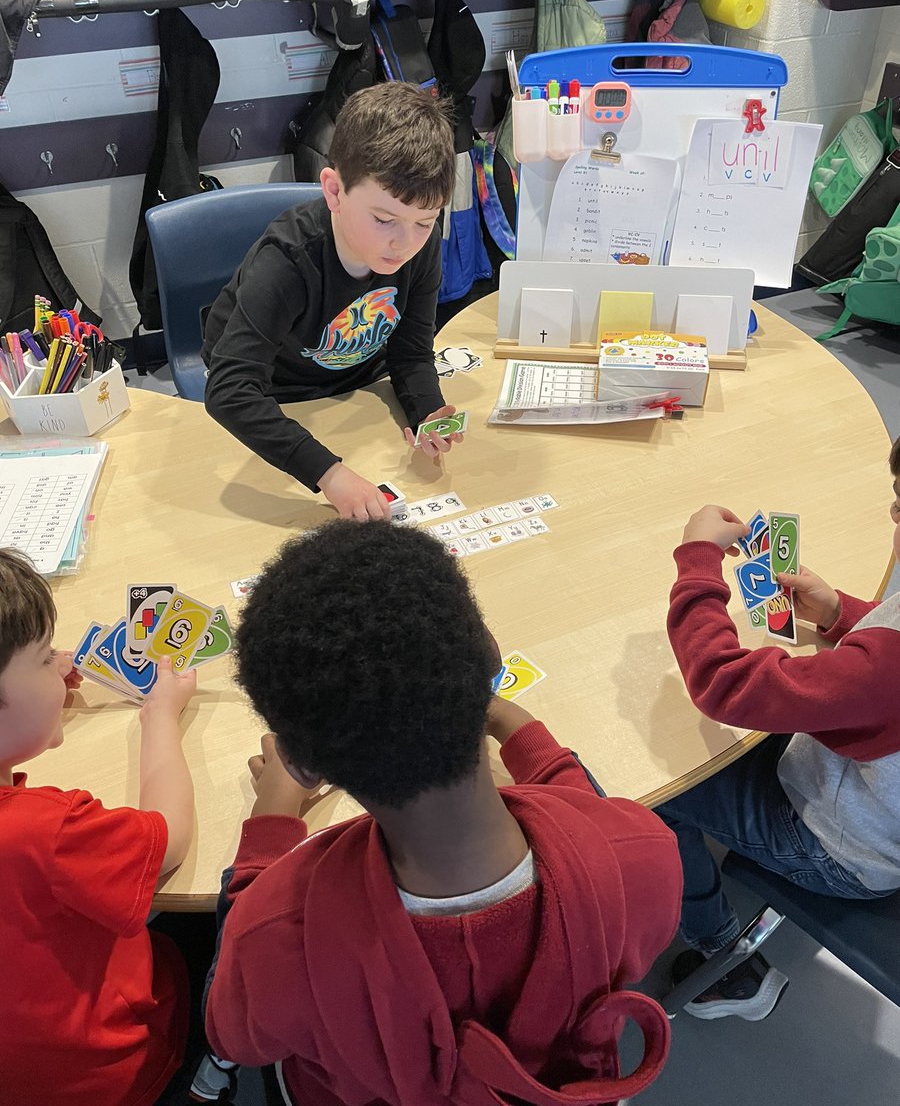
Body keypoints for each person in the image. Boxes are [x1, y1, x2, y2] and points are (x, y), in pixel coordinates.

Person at [205, 521, 683, 1106]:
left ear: (302, 760)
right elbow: (582, 820)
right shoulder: (643, 853)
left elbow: (229, 1020)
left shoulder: (277, 933)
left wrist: (272, 821)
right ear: (489, 654)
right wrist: (517, 726)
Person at [659, 435, 900, 1021]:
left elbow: (722, 682)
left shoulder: (887, 672)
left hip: (844, 852)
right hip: (875, 810)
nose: (893, 512)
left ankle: (727, 959)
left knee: (661, 791)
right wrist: (844, 615)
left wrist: (696, 560)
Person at [202, 82, 465, 523]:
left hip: (356, 385)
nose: (404, 243)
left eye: (425, 221)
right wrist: (329, 474)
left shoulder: (421, 246)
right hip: (279, 394)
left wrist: (425, 413)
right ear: (334, 191)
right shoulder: (287, 260)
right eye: (383, 219)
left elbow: (411, 352)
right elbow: (230, 390)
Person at [0, 547, 205, 1105]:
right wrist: (159, 715)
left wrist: (35, 700)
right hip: (109, 1073)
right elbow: (169, 837)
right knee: (221, 926)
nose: (66, 659)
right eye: (45, 658)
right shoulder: (49, 831)